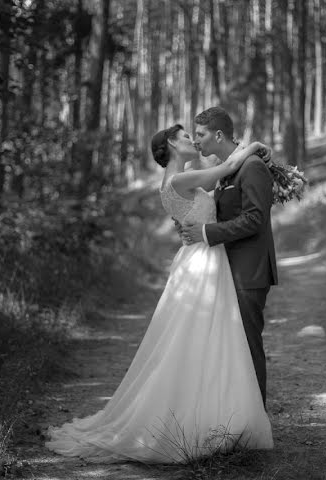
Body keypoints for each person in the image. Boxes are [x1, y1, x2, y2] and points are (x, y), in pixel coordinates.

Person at [44, 124, 273, 464]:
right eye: (185, 137)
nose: (192, 141)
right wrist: (254, 144)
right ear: (170, 144)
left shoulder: (183, 177)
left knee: (208, 337)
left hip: (201, 257)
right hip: (202, 261)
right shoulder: (179, 180)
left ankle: (222, 412)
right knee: (199, 337)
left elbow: (215, 185)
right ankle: (206, 416)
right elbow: (225, 170)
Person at [180, 106, 279, 407]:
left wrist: (207, 233)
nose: (196, 141)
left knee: (248, 347)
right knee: (232, 348)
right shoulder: (228, 169)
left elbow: (254, 219)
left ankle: (256, 421)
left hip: (248, 272)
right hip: (228, 270)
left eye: (200, 134)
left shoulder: (251, 167)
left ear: (218, 134)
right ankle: (237, 417)